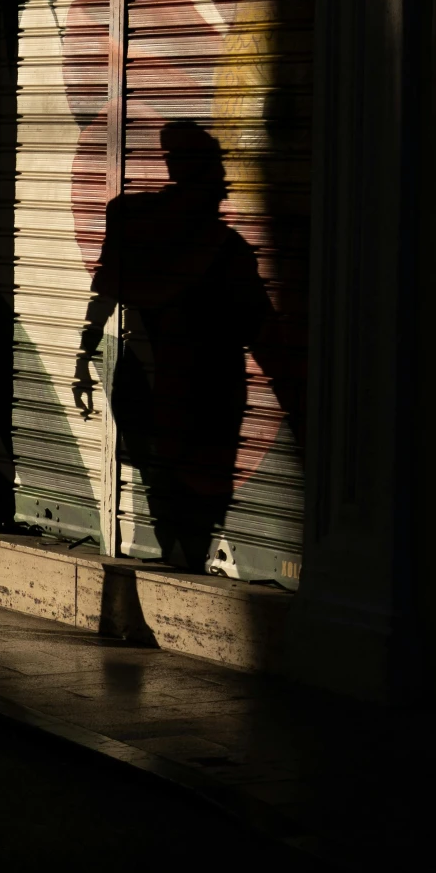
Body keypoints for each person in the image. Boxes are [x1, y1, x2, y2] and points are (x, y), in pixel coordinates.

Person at [71, 119, 293, 572]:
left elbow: (104, 294)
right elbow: (262, 332)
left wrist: (83, 356)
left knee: (166, 491)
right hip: (200, 390)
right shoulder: (223, 247)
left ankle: (177, 564)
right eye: (216, 174)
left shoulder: (132, 220)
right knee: (194, 500)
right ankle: (183, 565)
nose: (223, 191)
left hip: (146, 378)